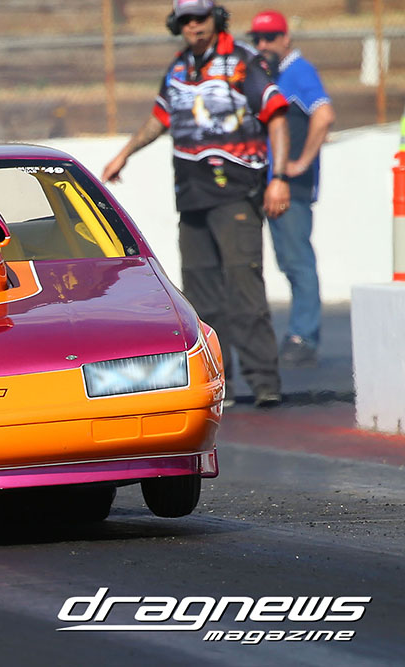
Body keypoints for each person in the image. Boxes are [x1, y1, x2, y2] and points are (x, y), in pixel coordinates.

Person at [101, 0, 290, 408]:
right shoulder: (178, 67)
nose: (194, 26)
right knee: (201, 296)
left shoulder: (243, 62)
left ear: (215, 18)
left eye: (200, 18)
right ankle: (220, 384)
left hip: (237, 191)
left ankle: (264, 382)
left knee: (244, 287)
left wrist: (280, 178)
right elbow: (160, 118)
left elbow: (276, 115)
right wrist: (124, 154)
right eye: (185, 20)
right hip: (191, 196)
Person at [249, 10, 335, 367]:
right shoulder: (271, 74)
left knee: (297, 261)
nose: (263, 44)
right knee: (286, 260)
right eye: (257, 38)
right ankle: (297, 332)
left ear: (286, 38)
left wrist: (299, 163)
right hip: (270, 184)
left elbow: (324, 115)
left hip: (289, 188)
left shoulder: (299, 71)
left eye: (270, 37)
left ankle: (304, 335)